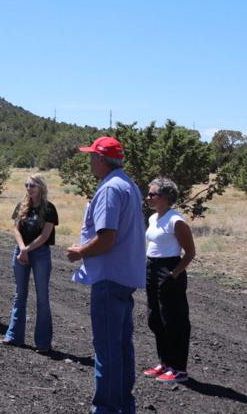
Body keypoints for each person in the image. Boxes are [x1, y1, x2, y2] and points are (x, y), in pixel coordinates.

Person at [66, 136, 145, 414]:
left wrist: (80, 252)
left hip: (109, 279)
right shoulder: (129, 185)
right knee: (122, 347)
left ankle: (107, 408)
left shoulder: (111, 189)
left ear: (101, 159)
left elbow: (106, 238)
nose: (90, 161)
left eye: (92, 157)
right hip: (123, 278)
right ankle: (124, 405)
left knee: (107, 350)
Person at [143, 177, 196, 384]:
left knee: (174, 321)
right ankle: (165, 363)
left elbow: (190, 252)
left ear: (165, 197)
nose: (148, 197)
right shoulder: (153, 218)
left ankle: (179, 369)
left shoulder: (176, 221)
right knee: (155, 318)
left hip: (169, 269)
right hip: (151, 267)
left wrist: (173, 274)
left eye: (152, 194)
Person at [0, 173, 58, 353]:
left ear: (40, 187)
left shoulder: (49, 208)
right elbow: (16, 229)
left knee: (42, 297)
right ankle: (14, 336)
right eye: (26, 185)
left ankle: (43, 343)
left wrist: (27, 249)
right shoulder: (22, 206)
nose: (28, 189)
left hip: (39, 253)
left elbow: (45, 236)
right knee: (20, 294)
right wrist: (22, 248)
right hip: (21, 252)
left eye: (32, 185)